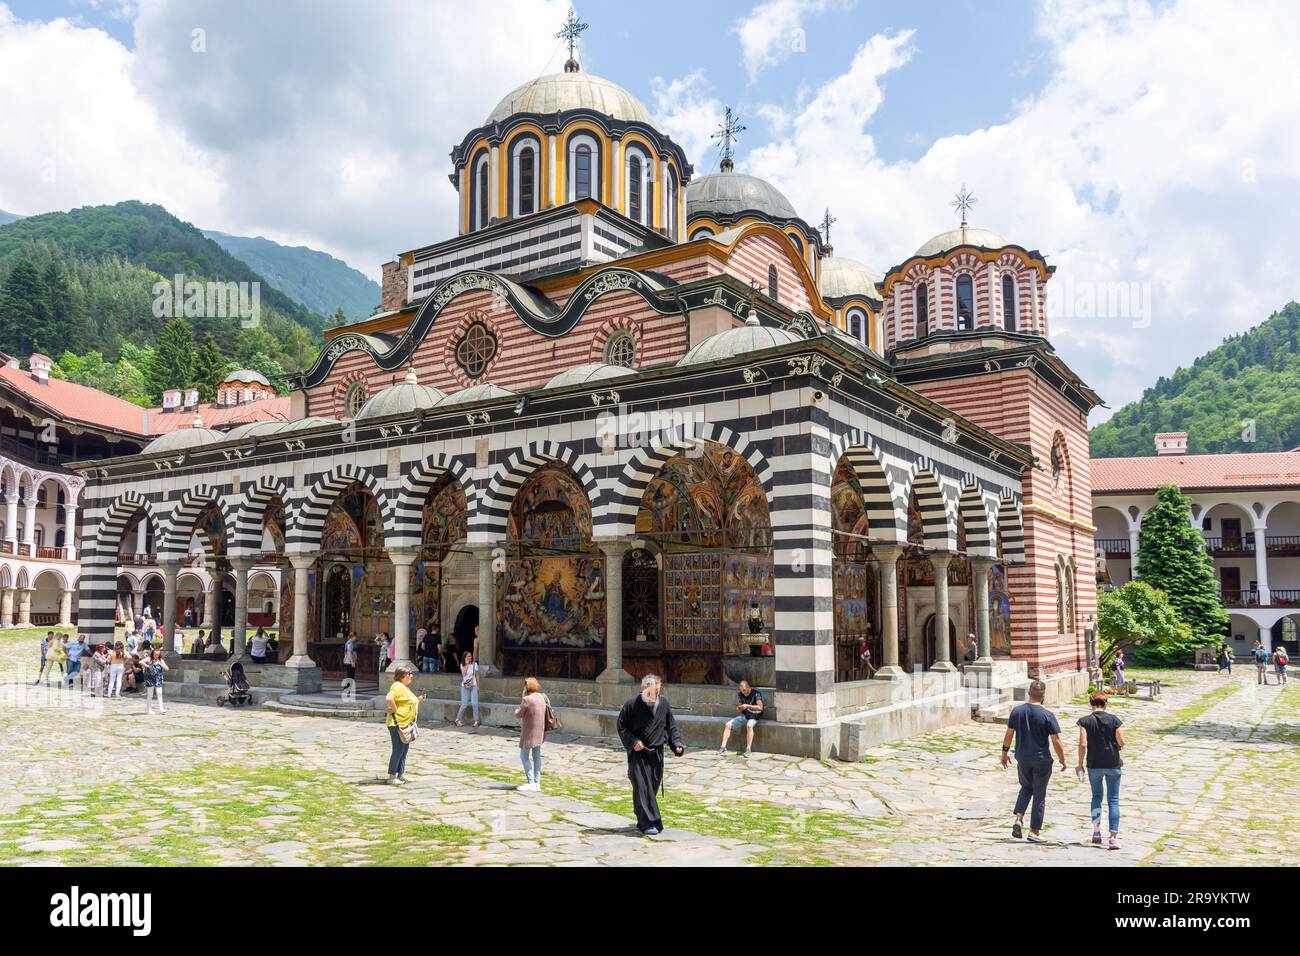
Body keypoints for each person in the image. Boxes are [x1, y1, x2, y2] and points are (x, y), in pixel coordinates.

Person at [1000, 679, 1066, 843]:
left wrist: (1004, 753)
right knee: (1039, 794)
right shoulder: (1047, 715)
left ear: (1029, 692)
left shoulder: (1017, 711)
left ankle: (1018, 818)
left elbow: (1009, 734)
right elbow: (1056, 740)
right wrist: (1062, 759)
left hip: (1022, 757)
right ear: (1043, 695)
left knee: (1026, 787)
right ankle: (1034, 831)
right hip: (1041, 759)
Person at [617, 674, 684, 835]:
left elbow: (671, 727)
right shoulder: (631, 704)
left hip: (656, 755)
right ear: (643, 689)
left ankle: (642, 820)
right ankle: (648, 823)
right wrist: (633, 742)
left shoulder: (664, 703)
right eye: (651, 692)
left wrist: (677, 744)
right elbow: (621, 727)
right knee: (642, 788)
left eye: (657, 692)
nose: (655, 696)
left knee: (650, 788)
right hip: (638, 755)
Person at [1076, 691, 1126, 850]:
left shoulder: (1085, 721)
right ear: (1106, 704)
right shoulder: (1114, 720)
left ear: (1091, 703)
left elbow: (1083, 744)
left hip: (1094, 763)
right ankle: (1113, 838)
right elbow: (1122, 742)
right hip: (1112, 763)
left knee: (1096, 796)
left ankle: (1096, 831)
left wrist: (1080, 763)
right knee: (1113, 800)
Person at [384, 665, 425, 785]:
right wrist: (394, 708)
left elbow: (407, 701)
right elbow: (388, 698)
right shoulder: (397, 686)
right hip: (397, 723)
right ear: (402, 676)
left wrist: (418, 699)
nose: (411, 676)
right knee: (398, 749)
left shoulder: (404, 687)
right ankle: (392, 777)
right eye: (409, 674)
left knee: (404, 749)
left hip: (405, 724)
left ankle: (401, 775)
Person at [514, 677, 550, 791]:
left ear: (527, 687)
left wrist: (522, 698)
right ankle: (537, 783)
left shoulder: (527, 700)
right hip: (540, 730)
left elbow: (518, 714)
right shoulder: (542, 697)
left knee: (524, 756)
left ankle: (531, 783)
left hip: (529, 732)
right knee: (537, 755)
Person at [717, 678, 763, 757]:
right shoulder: (740, 694)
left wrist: (747, 706)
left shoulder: (756, 693)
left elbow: (760, 707)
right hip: (745, 715)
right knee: (728, 725)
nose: (743, 692)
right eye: (742, 690)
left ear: (748, 687)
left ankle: (748, 749)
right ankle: (723, 747)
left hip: (754, 716)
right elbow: (742, 708)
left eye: (745, 690)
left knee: (749, 725)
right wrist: (740, 708)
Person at [455, 651, 480, 727]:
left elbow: (477, 676)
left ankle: (476, 720)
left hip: (474, 685)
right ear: (465, 657)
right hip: (465, 686)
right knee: (464, 704)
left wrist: (478, 686)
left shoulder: (474, 665)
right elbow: (464, 675)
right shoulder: (462, 665)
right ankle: (457, 719)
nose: (470, 657)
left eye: (470, 656)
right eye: (468, 656)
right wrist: (467, 665)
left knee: (474, 703)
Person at [141, 647, 170, 714]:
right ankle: (149, 709)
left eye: (158, 654)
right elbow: (141, 662)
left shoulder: (160, 660)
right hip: (150, 678)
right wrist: (148, 666)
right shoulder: (149, 659)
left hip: (158, 678)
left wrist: (161, 664)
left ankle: (161, 707)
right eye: (155, 654)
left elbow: (166, 668)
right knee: (150, 694)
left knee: (159, 693)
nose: (156, 656)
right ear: (153, 654)